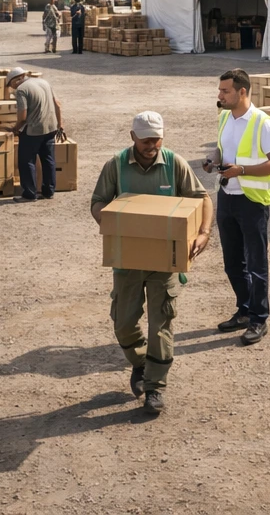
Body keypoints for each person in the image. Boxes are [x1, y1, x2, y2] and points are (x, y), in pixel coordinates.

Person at [90, 111, 213, 415]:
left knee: (161, 326)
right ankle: (142, 364)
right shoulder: (116, 166)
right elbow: (97, 202)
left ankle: (155, 388)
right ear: (132, 137)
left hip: (165, 263)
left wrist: (204, 233)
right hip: (128, 260)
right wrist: (113, 221)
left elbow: (202, 198)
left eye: (157, 139)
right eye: (146, 140)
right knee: (123, 324)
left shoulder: (174, 163)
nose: (152, 145)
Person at [204, 68, 270, 345]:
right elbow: (220, 148)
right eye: (220, 90)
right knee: (232, 262)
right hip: (226, 197)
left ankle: (259, 319)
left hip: (252, 201)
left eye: (225, 91)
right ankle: (244, 309)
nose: (220, 95)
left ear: (242, 91)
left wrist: (242, 171)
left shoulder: (264, 123)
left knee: (256, 263)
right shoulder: (224, 116)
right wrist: (212, 160)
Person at [7, 67, 63, 202]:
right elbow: (58, 105)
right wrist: (60, 125)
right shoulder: (44, 82)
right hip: (51, 127)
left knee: (26, 161)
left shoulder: (21, 90)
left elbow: (23, 116)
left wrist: (15, 129)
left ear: (15, 80)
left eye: (10, 85)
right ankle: (49, 192)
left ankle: (29, 194)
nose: (11, 88)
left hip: (33, 130)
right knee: (48, 159)